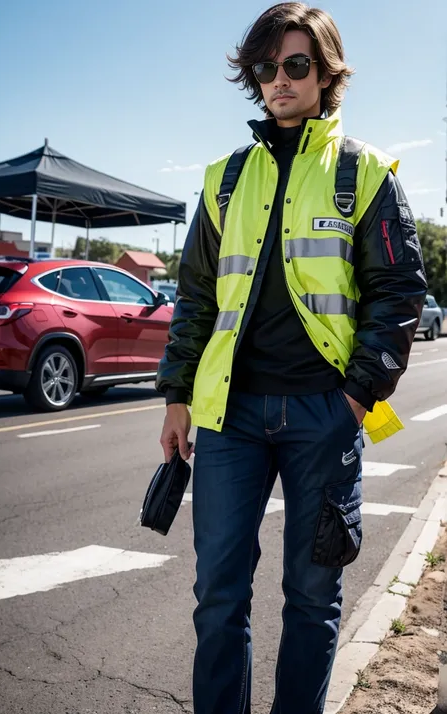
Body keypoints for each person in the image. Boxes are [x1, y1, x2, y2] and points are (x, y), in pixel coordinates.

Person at [156, 3, 427, 713]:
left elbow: (399, 292)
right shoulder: (223, 178)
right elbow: (194, 300)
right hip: (230, 416)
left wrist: (356, 398)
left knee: (312, 597)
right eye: (266, 66)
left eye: (295, 64)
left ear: (325, 72)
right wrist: (177, 395)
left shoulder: (365, 172)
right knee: (218, 595)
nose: (279, 78)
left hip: (322, 415)